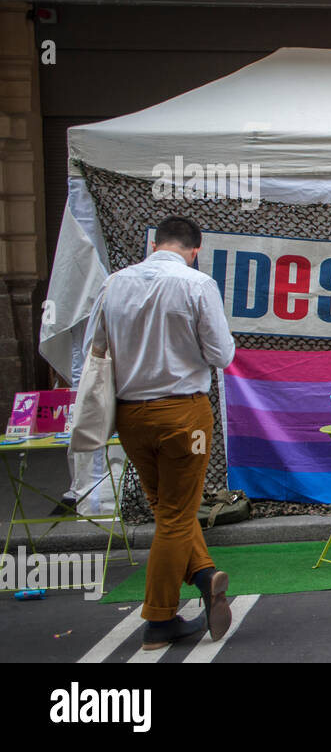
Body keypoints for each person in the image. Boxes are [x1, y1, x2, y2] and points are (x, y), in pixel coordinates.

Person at [84, 215, 236, 650]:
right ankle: (159, 618)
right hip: (182, 412)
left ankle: (205, 575)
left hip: (130, 415)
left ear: (153, 244)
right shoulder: (196, 283)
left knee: (165, 507)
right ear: (195, 248)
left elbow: (94, 348)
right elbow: (222, 354)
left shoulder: (114, 284)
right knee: (175, 515)